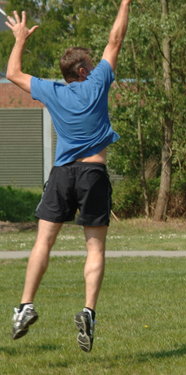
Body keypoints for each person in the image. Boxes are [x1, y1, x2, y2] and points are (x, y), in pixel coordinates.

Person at [5, 0, 133, 352]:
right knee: (95, 247)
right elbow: (116, 40)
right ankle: (89, 311)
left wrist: (19, 39)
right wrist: (124, 3)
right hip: (93, 173)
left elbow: (13, 73)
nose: (97, 68)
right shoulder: (96, 85)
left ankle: (25, 305)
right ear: (81, 71)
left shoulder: (52, 90)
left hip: (61, 174)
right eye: (91, 66)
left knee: (42, 242)